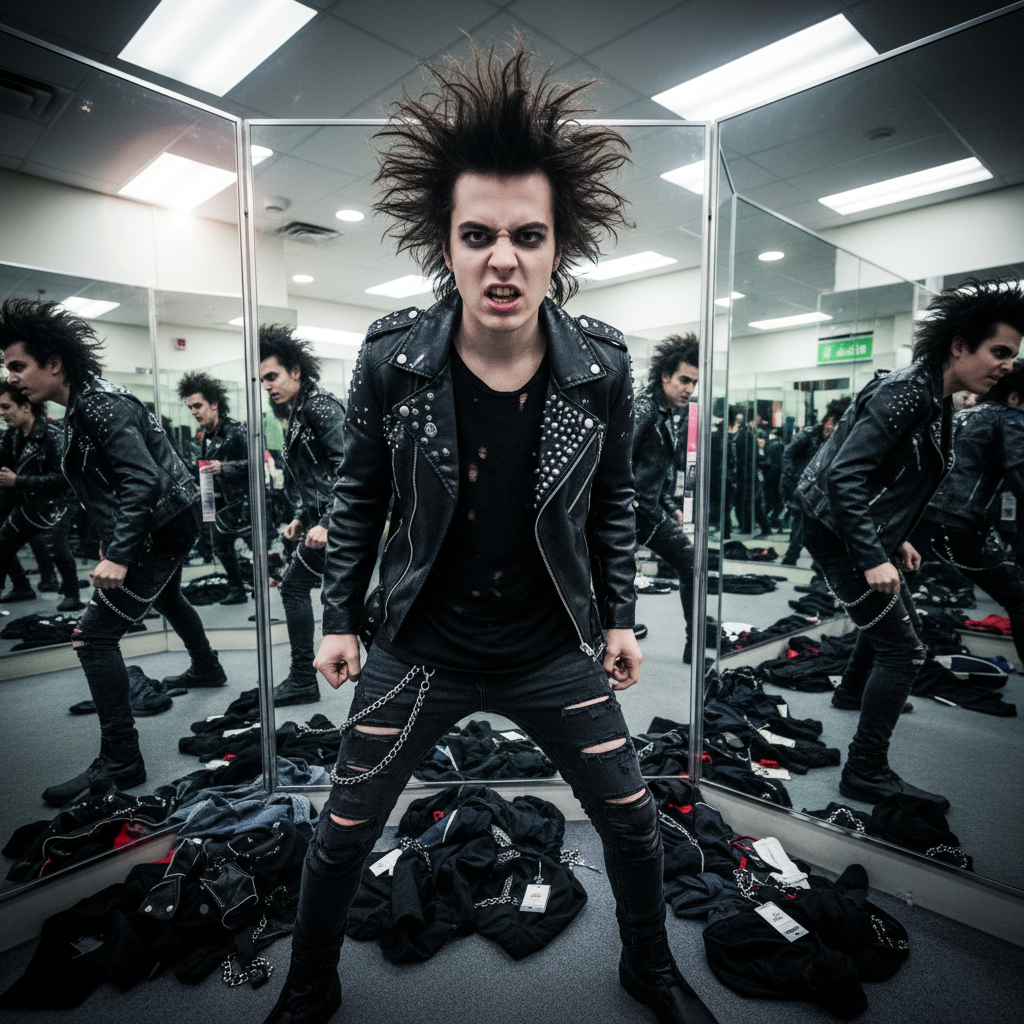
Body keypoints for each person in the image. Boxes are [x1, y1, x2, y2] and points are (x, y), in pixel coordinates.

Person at [261, 41, 719, 1024]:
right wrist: (337, 617)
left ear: (558, 247)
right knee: (342, 831)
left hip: (550, 649)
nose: (502, 258)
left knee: (634, 823)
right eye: (477, 235)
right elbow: (358, 494)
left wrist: (621, 616)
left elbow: (612, 501)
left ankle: (648, 968)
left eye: (526, 236)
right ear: (448, 244)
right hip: (417, 649)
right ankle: (307, 984)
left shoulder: (600, 365)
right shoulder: (393, 357)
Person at [794, 279, 1024, 808]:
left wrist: (894, 539)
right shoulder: (906, 392)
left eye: (1011, 355)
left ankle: (851, 693)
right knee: (905, 651)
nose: (1007, 365)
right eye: (999, 352)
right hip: (835, 532)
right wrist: (871, 555)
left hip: (854, 530)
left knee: (899, 632)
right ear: (960, 346)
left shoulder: (934, 398)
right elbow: (845, 476)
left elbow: (892, 478)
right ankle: (865, 771)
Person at [0, 298, 227, 806]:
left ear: (53, 363)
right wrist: (111, 537)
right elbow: (110, 482)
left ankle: (122, 757)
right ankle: (207, 667)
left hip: (163, 528)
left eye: (18, 366)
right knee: (169, 598)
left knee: (93, 637)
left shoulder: (99, 403)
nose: (11, 378)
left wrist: (121, 554)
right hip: (163, 521)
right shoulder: (84, 404)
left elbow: (140, 479)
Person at [259, 325, 346, 706]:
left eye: (272, 376)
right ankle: (302, 678)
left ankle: (302, 679)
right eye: (263, 380)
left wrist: (327, 522)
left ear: (295, 371)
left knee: (296, 587)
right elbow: (311, 477)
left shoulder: (320, 406)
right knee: (321, 594)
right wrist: (300, 515)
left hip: (341, 522)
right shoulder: (297, 411)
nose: (267, 386)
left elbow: (350, 469)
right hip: (323, 520)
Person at [919, 359, 1024, 666]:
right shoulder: (1012, 418)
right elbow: (1019, 475)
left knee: (895, 603)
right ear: (1015, 397)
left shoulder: (961, 415)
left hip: (921, 521)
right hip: (959, 524)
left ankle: (862, 678)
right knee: (1020, 599)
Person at [631, 333, 698, 660]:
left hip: (649, 513)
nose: (690, 389)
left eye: (694, 382)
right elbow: (613, 459)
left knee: (691, 564)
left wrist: (670, 506)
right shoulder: (644, 408)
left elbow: (655, 470)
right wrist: (623, 501)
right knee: (611, 584)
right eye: (684, 380)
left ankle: (693, 644)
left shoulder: (667, 413)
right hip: (627, 515)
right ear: (665, 376)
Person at [0, 382, 83, 611]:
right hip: (29, 503)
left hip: (59, 503)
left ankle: (72, 595)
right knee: (3, 542)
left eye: (6, 407)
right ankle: (21, 587)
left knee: (55, 546)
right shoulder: (13, 435)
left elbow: (63, 477)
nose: (2, 413)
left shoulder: (52, 434)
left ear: (26, 407)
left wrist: (18, 481)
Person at [177, 370, 251, 605]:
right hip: (215, 502)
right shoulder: (204, 436)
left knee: (256, 549)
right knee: (221, 548)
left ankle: (266, 589)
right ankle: (237, 589)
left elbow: (254, 463)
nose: (194, 412)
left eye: (198, 405)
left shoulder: (235, 431)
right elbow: (206, 468)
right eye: (190, 407)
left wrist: (223, 467)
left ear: (214, 404)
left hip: (243, 504)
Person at [779, 396, 851, 565]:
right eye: (832, 422)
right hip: (800, 487)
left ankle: (809, 563)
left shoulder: (836, 440)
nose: (833, 427)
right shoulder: (808, 434)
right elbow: (788, 454)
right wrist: (792, 478)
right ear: (827, 419)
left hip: (819, 491)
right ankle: (792, 558)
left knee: (811, 528)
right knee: (801, 526)